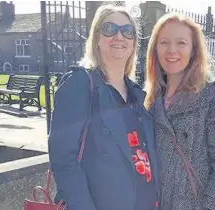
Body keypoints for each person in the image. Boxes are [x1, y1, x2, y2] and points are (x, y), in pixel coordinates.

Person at [48, 4, 160, 210]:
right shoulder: (80, 83)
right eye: (110, 29)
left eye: (127, 31)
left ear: (134, 43)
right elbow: (64, 160)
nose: (119, 36)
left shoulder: (136, 93)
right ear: (97, 39)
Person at [144, 13, 215, 210]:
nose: (172, 50)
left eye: (181, 43)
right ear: (155, 49)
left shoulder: (212, 97)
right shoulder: (149, 99)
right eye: (164, 42)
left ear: (194, 50)